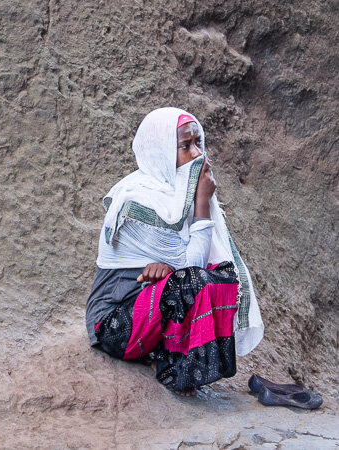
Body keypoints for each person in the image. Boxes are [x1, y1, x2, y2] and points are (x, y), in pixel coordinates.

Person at [85, 107, 264, 396]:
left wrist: (170, 270)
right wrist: (202, 205)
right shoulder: (138, 201)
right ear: (160, 151)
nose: (196, 154)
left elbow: (194, 269)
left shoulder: (180, 198)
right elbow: (189, 269)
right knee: (192, 282)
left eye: (198, 144)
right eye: (185, 146)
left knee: (225, 277)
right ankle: (171, 367)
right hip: (114, 325)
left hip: (149, 314)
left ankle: (165, 356)